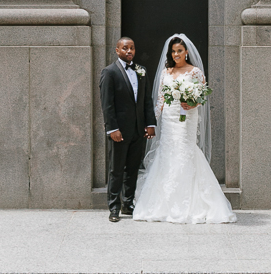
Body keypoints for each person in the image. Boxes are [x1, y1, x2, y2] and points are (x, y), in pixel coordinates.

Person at [132, 33, 236, 224]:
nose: (176, 54)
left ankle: (190, 203)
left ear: (186, 52)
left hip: (186, 118)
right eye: (173, 51)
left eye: (179, 51)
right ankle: (163, 204)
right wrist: (152, 122)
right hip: (169, 119)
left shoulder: (194, 72)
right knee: (167, 153)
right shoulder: (166, 72)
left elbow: (202, 98)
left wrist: (193, 103)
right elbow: (161, 100)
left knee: (185, 151)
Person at [99, 36, 156, 223]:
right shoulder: (109, 72)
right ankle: (113, 207)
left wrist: (150, 124)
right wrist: (112, 128)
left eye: (132, 48)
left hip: (138, 130)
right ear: (117, 50)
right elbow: (107, 105)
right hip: (119, 131)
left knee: (132, 168)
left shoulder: (141, 71)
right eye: (125, 48)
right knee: (116, 169)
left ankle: (128, 203)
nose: (129, 51)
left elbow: (147, 101)